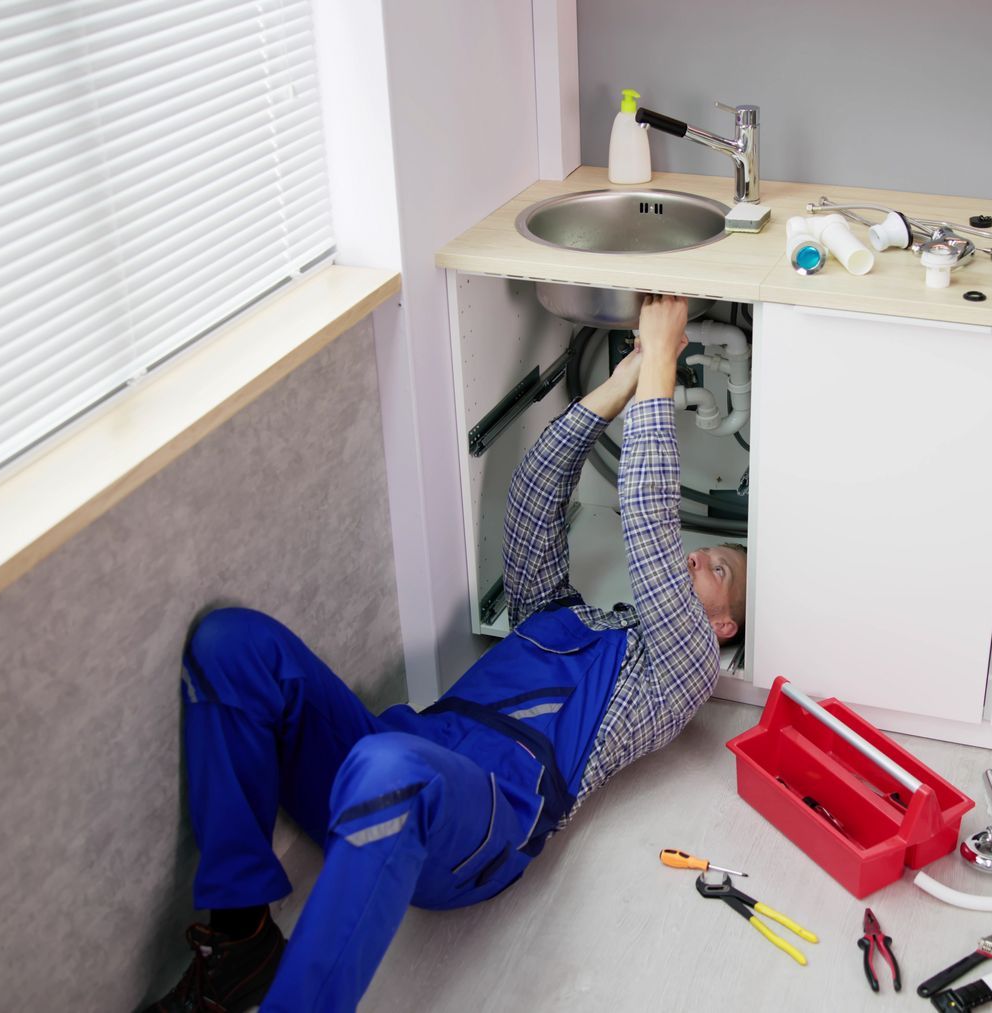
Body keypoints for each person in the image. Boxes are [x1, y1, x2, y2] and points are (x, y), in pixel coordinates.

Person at [143, 294, 747, 1013]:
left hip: (487, 816)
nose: (689, 561)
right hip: (408, 748)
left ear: (725, 626)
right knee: (231, 645)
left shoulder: (676, 676)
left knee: (389, 767)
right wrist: (628, 378)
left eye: (715, 567)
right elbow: (531, 496)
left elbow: (647, 524)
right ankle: (240, 943)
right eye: (700, 551)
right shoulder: (563, 612)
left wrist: (666, 363)